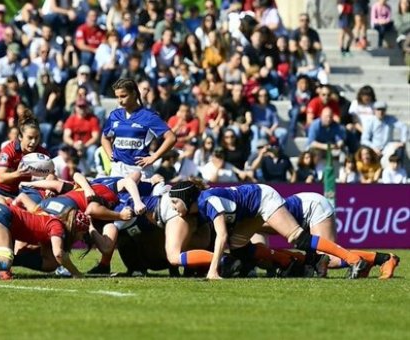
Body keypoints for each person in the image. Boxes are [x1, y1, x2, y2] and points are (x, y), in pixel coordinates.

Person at [192, 184, 368, 279]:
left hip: (269, 200)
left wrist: (213, 270)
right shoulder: (204, 203)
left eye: (175, 204)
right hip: (258, 205)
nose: (175, 209)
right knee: (237, 245)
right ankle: (289, 262)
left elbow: (222, 235)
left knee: (300, 240)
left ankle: (356, 259)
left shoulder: (209, 202)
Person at [0, 202, 88, 279]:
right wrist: (76, 273)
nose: (81, 239)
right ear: (76, 229)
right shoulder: (57, 227)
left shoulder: (50, 220)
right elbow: (58, 254)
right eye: (82, 234)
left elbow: (49, 256)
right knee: (5, 261)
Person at [283, 192, 399, 279]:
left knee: (328, 259)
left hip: (312, 207)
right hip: (303, 208)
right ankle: (368, 261)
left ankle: (385, 259)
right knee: (317, 260)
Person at [101, 78, 176, 178]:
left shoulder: (149, 116)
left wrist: (154, 157)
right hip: (118, 169)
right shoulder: (114, 115)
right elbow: (105, 137)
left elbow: (171, 138)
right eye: (117, 97)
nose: (120, 101)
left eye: (123, 96)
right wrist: (110, 153)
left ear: (134, 94)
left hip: (140, 170)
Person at [0, 109, 49, 201]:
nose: (33, 142)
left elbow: (50, 174)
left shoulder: (42, 153)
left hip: (20, 192)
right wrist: (18, 173)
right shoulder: (8, 150)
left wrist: (49, 187)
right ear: (20, 137)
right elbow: (1, 178)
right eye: (30, 138)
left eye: (36, 138)